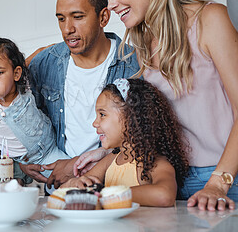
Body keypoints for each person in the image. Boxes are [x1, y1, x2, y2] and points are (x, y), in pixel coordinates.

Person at [101, 0, 238, 210]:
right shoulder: (144, 42)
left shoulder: (210, 18)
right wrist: (102, 154)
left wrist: (218, 183)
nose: (111, 4)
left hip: (224, 180)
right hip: (175, 181)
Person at [23, 0, 140, 188]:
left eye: (78, 17)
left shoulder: (134, 65)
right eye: (61, 19)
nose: (67, 29)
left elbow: (142, 137)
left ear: (103, 17)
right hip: (58, 187)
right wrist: (21, 161)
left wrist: (74, 165)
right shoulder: (44, 62)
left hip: (112, 188)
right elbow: (25, 116)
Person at [63, 78, 189, 207]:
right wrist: (73, 184)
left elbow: (164, 196)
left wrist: (107, 194)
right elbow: (71, 188)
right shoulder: (111, 160)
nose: (94, 123)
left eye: (102, 114)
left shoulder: (154, 163)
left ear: (131, 117)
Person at [0, 37, 70, 185]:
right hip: (39, 159)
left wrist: (64, 46)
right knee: (73, 181)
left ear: (16, 74)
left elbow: (40, 53)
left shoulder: (23, 83)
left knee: (86, 168)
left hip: (56, 140)